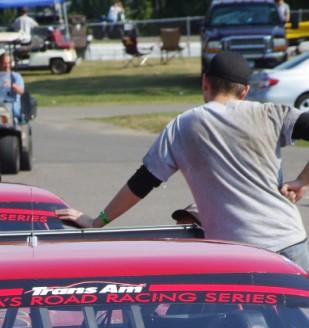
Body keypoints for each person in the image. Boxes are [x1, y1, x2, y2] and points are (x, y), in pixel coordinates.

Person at [57, 51, 309, 270]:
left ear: (204, 83)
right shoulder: (272, 114)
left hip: (237, 252)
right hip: (290, 241)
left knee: (240, 324)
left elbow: (142, 183)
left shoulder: (183, 126)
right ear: (245, 91)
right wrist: (303, 181)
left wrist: (96, 221)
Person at [0, 51, 24, 120]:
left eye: (9, 63)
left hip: (12, 108)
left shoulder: (16, 77)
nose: (7, 66)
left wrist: (12, 85)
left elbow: (21, 91)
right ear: (0, 64)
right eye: (4, 63)